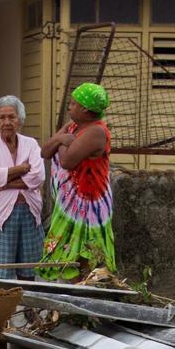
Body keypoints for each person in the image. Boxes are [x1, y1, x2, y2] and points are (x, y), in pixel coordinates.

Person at [38, 82, 115, 281]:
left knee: (83, 257)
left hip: (87, 208)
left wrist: (61, 140)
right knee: (66, 255)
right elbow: (45, 151)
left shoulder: (96, 131)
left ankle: (82, 299)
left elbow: (67, 161)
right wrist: (63, 139)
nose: (69, 107)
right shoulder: (73, 127)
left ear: (85, 109)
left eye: (73, 104)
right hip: (68, 206)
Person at [0, 96, 45, 280]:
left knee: (28, 271)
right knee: (0, 275)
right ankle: (1, 309)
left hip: (29, 213)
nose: (7, 122)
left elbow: (38, 177)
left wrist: (4, 182)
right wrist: (21, 169)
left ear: (20, 119)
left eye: (12, 117)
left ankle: (29, 308)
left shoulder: (30, 144)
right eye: (2, 117)